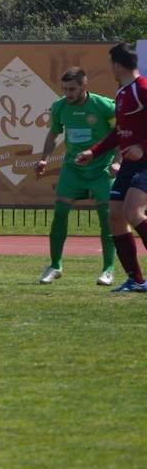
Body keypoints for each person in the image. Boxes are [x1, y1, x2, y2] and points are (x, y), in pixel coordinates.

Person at [34, 66, 117, 286]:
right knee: (60, 212)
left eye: (72, 89)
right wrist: (44, 158)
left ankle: (108, 270)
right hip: (73, 169)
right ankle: (55, 266)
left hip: (102, 168)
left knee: (107, 217)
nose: (68, 93)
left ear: (84, 86)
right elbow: (54, 133)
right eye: (65, 89)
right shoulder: (60, 107)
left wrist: (117, 161)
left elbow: (121, 132)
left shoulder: (104, 106)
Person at [74, 42, 147, 292]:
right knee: (115, 217)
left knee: (133, 212)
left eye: (109, 63)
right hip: (129, 165)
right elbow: (119, 132)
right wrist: (93, 152)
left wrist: (142, 147)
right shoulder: (123, 92)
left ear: (117, 64)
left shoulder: (142, 88)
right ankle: (136, 280)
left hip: (145, 162)